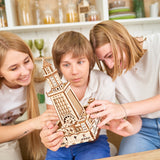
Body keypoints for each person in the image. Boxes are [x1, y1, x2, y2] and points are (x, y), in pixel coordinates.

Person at [40, 31, 142, 160]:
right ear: (59, 67)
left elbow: (95, 131)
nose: (74, 71)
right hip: (62, 142)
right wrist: (49, 134)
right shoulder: (51, 85)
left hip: (94, 141)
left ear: (90, 61)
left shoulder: (104, 82)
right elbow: (54, 123)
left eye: (80, 62)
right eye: (66, 65)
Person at [87, 20, 160, 155]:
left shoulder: (157, 45)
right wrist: (131, 128)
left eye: (110, 56)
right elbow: (135, 116)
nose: (109, 65)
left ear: (122, 40)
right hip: (143, 130)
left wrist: (122, 109)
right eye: (103, 60)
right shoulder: (111, 74)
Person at [0, 31, 57, 160]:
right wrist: (33, 123)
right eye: (14, 68)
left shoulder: (37, 79)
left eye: (26, 61)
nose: (25, 72)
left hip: (9, 129)